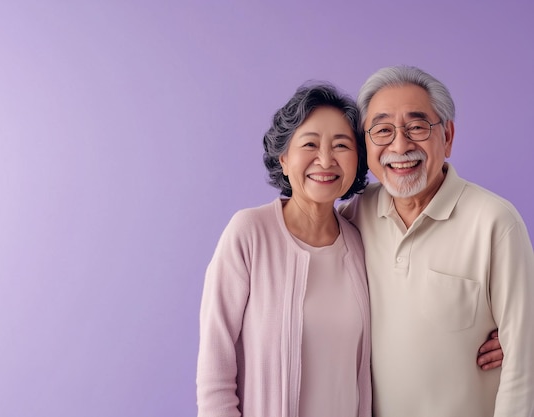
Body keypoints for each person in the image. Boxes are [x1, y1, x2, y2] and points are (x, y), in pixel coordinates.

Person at [339, 65, 534, 417]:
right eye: (382, 130)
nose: (400, 145)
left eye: (417, 127)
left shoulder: (495, 222)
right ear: (366, 144)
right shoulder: (356, 215)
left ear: (447, 136)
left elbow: (525, 360)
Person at [197, 83, 372, 417]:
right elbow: (214, 370)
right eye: (310, 144)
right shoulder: (249, 233)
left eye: (341, 145)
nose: (325, 159)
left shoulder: (361, 243)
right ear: (284, 158)